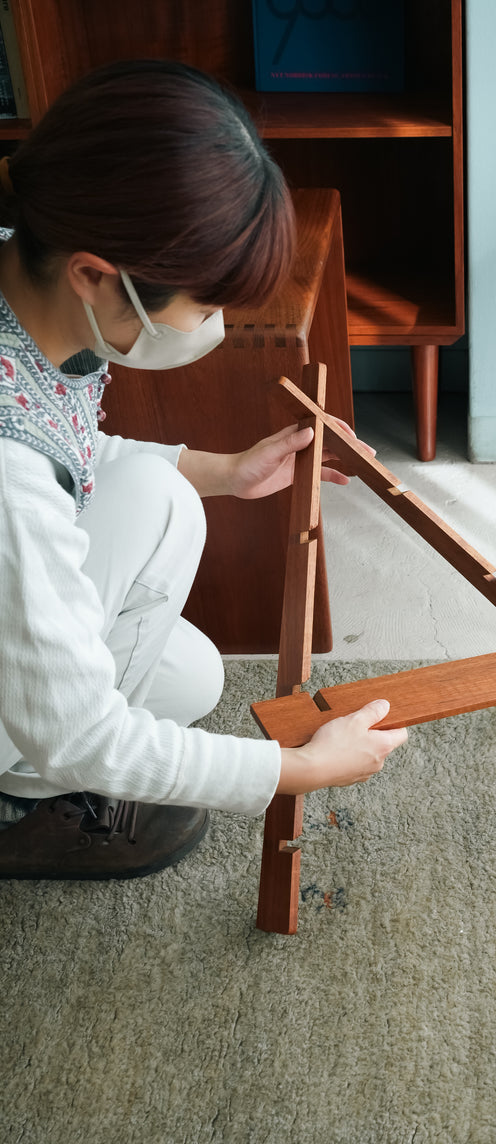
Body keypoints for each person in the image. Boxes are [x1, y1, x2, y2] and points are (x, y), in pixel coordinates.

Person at [0, 59, 407, 881]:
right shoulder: (4, 473)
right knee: (159, 512)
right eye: (204, 305)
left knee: (187, 676)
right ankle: (15, 807)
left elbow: (62, 447)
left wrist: (221, 469)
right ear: (92, 274)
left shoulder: (25, 282)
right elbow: (80, 733)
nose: (213, 326)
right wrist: (295, 772)